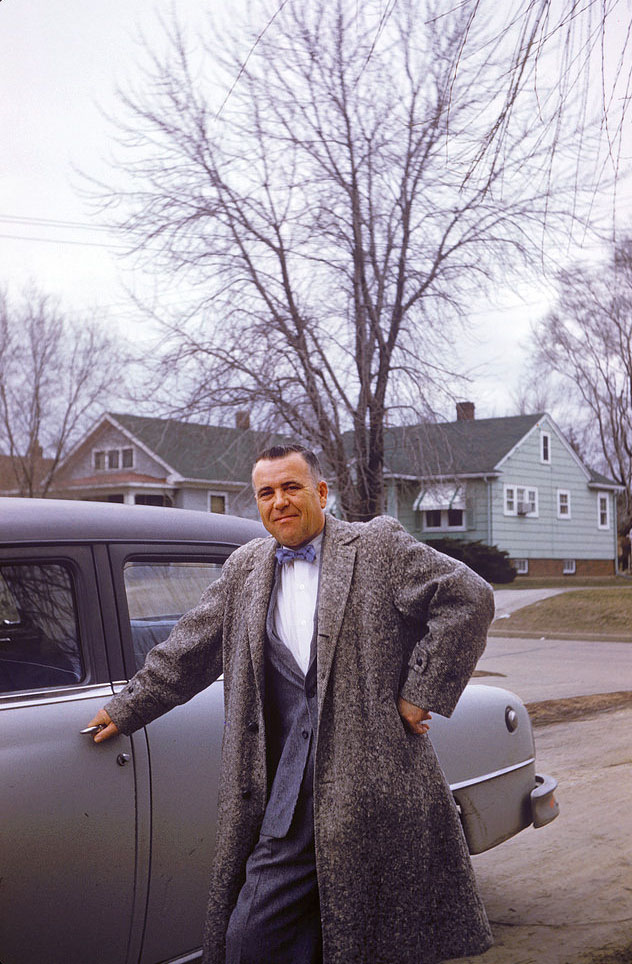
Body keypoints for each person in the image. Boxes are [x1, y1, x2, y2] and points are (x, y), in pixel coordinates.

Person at [87, 444, 495, 964]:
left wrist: (421, 692)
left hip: (369, 795)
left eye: (291, 487)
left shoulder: (376, 547)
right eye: (267, 492)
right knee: (250, 939)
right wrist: (127, 709)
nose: (279, 501)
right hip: (283, 801)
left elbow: (468, 598)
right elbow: (188, 649)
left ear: (321, 493)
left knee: (364, 941)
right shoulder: (245, 569)